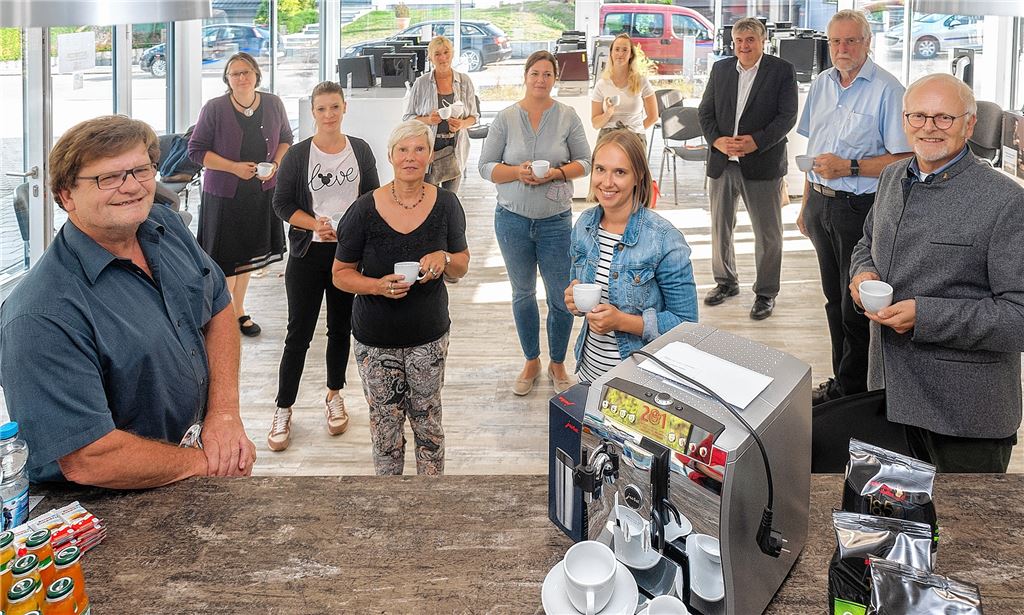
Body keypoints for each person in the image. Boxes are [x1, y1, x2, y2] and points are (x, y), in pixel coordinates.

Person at [0, 115, 255, 487]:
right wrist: (207, 463)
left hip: (187, 468)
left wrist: (225, 414)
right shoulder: (40, 316)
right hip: (104, 511)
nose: (132, 187)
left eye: (141, 170)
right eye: (109, 177)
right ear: (66, 195)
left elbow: (218, 303)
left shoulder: (164, 228)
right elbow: (89, 459)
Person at [849, 74, 1024, 472]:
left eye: (944, 118)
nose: (929, 127)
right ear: (904, 119)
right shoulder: (893, 177)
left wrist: (924, 317)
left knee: (965, 535)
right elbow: (866, 243)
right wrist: (862, 274)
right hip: (888, 402)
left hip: (965, 417)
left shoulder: (1006, 201)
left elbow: (1019, 317)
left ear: (970, 123)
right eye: (918, 116)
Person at [332, 120, 470, 476]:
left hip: (429, 337)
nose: (411, 157)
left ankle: (430, 503)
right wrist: (377, 286)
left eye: (419, 149)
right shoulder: (363, 210)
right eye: (403, 150)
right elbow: (340, 275)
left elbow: (462, 266)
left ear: (429, 157)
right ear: (391, 155)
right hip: (376, 340)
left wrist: (446, 259)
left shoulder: (448, 205)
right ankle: (388, 507)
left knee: (429, 427)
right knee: (385, 433)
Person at [795, 10, 912, 405]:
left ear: (867, 43)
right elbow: (812, 154)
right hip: (821, 205)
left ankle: (857, 396)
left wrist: (850, 167)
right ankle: (843, 384)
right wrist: (806, 206)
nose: (842, 49)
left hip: (859, 210)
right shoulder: (822, 84)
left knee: (854, 306)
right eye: (836, 41)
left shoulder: (888, 89)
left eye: (851, 41)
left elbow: (903, 158)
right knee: (833, 300)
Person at [267, 81, 380, 452]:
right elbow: (282, 204)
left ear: (344, 108)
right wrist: (314, 223)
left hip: (347, 258)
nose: (328, 115)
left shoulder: (359, 150)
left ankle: (334, 394)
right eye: (321, 109)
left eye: (334, 107)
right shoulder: (299, 155)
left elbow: (372, 200)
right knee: (298, 333)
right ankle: (284, 407)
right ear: (313, 113)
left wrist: (351, 232)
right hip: (307, 254)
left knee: (340, 328)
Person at [479, 50, 592, 396]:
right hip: (511, 221)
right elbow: (486, 167)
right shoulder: (505, 118)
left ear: (554, 79)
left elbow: (586, 162)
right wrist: (517, 172)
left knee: (560, 297)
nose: (541, 79)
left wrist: (556, 173)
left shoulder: (567, 116)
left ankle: (558, 361)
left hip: (555, 222)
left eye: (547, 74)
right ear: (525, 77)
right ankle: (531, 360)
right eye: (535, 73)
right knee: (523, 293)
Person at [565, 131, 698, 383]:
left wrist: (623, 322)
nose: (606, 182)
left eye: (620, 172)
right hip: (589, 373)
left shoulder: (663, 238)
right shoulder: (583, 225)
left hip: (640, 381)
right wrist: (573, 299)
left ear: (638, 176)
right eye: (600, 169)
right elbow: (578, 285)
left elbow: (687, 325)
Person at [697, 17, 798, 321]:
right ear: (733, 43)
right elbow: (705, 111)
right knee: (720, 229)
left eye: (750, 39)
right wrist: (717, 141)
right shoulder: (721, 69)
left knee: (768, 234)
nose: (744, 46)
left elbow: (787, 116)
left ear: (762, 40)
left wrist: (757, 142)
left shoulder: (781, 71)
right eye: (739, 40)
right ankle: (726, 282)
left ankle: (766, 293)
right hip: (723, 163)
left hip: (762, 163)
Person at [189, 52, 294, 337]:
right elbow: (196, 151)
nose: (241, 78)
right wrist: (233, 168)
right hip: (223, 195)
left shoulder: (273, 103)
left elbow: (286, 138)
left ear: (257, 74)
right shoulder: (215, 108)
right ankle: (222, 315)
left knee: (246, 256)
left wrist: (274, 165)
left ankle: (238, 310)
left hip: (260, 193)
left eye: (246, 71)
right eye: (234, 73)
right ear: (227, 79)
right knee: (224, 260)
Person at [404, 35, 479, 194]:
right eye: (437, 54)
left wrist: (461, 124)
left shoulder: (464, 81)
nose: (443, 58)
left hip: (455, 150)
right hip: (428, 152)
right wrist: (428, 120)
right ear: (430, 57)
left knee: (451, 201)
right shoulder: (421, 83)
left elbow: (474, 117)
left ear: (452, 54)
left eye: (446, 52)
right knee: (429, 201)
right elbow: (408, 119)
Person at [590, 34, 657, 148]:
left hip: (634, 137)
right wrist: (608, 114)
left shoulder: (641, 81)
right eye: (617, 49)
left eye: (625, 50)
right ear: (611, 53)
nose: (620, 54)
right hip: (608, 137)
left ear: (631, 54)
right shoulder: (602, 84)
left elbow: (653, 117)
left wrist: (636, 131)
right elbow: (596, 124)